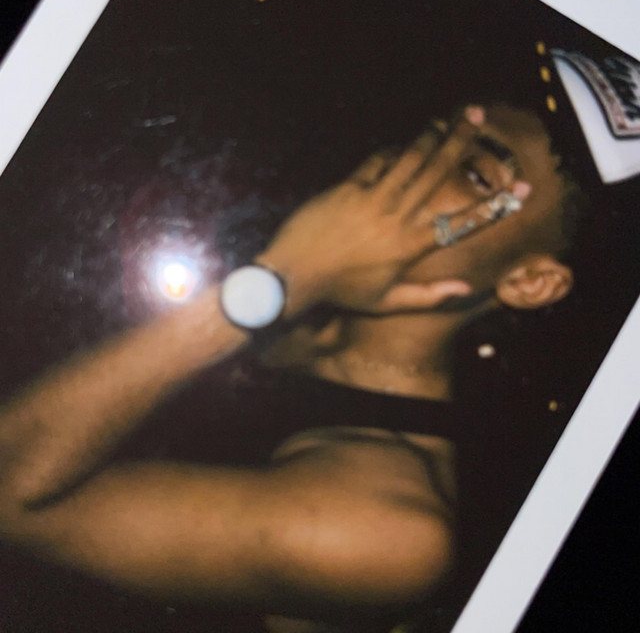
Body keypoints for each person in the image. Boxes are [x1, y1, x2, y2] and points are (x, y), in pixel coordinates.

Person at [0, 104, 579, 633]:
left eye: (476, 174)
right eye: (434, 134)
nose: (410, 161)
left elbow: (9, 494)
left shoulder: (390, 527)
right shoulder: (273, 279)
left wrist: (286, 278)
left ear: (529, 281)